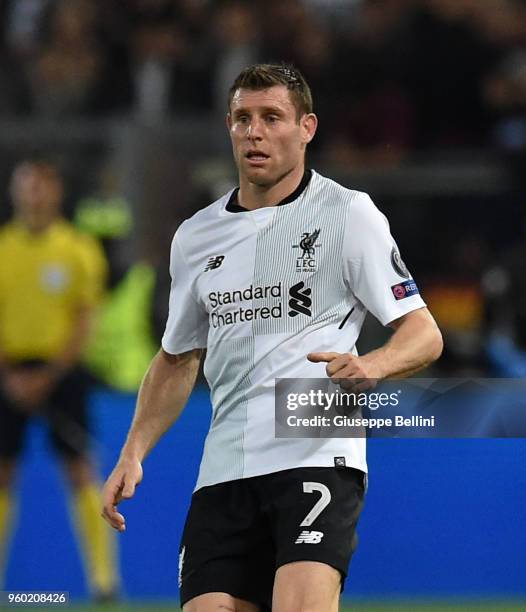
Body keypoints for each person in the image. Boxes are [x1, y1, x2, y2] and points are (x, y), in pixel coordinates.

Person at [102, 63, 443, 612]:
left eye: (271, 118)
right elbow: (177, 357)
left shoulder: (348, 214)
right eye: (242, 118)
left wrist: (374, 365)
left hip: (315, 446)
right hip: (226, 467)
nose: (254, 132)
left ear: (306, 127)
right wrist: (133, 451)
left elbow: (424, 334)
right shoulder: (195, 237)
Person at [0, 159, 119, 601]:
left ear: (56, 193)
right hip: (7, 370)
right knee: (3, 472)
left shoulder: (78, 249)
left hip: (62, 373)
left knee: (79, 468)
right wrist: (10, 374)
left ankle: (104, 582)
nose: (33, 196)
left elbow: (85, 320)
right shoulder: (3, 248)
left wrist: (47, 376)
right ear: (15, 193)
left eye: (41, 188)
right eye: (25, 187)